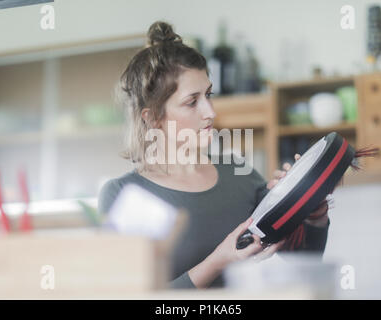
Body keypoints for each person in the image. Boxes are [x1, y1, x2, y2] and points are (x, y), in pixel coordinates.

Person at [98, 21, 330, 289]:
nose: (210, 111)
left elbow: (305, 256)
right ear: (153, 118)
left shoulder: (238, 172)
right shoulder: (122, 194)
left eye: (209, 95)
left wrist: (312, 214)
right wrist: (218, 261)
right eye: (192, 101)